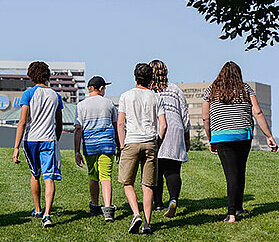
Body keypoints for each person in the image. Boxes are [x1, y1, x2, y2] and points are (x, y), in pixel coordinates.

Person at [202, 61, 278, 223]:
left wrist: (210, 138)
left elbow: (205, 117)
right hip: (243, 135)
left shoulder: (211, 90)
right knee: (239, 171)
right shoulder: (245, 89)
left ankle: (231, 215)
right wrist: (268, 136)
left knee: (231, 174)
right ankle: (238, 208)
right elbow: (257, 112)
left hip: (222, 136)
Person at [12, 61, 63, 227]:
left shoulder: (28, 94)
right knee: (49, 177)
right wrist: (56, 137)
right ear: (47, 76)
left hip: (31, 139)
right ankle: (47, 214)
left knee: (35, 174)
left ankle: (38, 209)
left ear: (31, 76)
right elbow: (59, 123)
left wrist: (16, 147)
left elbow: (22, 122)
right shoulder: (56, 96)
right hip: (49, 139)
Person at [118, 63, 166, 234]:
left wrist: (122, 145)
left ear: (135, 77)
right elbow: (163, 125)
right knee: (148, 184)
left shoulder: (126, 96)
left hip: (131, 141)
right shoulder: (156, 97)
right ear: (151, 79)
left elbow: (121, 122)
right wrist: (157, 142)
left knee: (127, 182)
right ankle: (147, 222)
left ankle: (136, 214)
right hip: (150, 141)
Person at [149, 60, 191, 218]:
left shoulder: (149, 91)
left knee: (155, 171)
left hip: (157, 130)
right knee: (173, 170)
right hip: (175, 130)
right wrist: (187, 137)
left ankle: (158, 204)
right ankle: (173, 199)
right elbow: (185, 115)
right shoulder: (175, 90)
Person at [74, 76, 119, 222]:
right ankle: (108, 209)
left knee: (93, 176)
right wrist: (119, 146)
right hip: (107, 144)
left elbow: (78, 129)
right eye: (104, 88)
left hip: (90, 145)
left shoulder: (81, 105)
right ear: (100, 89)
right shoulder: (109, 104)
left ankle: (94, 205)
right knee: (105, 176)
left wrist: (77, 151)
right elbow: (115, 126)